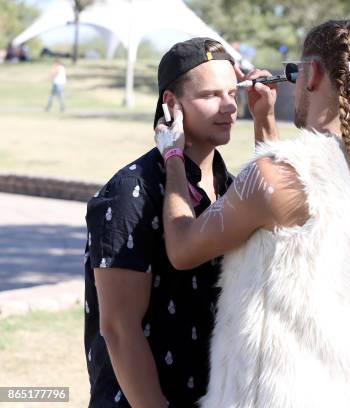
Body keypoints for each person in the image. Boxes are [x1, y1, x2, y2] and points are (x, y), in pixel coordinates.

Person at [157, 19, 350, 407]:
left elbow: (183, 247)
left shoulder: (279, 176)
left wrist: (172, 152)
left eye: (296, 71)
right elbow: (280, 224)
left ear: (313, 75)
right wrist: (265, 122)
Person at [84, 37, 277, 407]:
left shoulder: (231, 187)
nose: (229, 107)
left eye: (232, 93)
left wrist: (264, 118)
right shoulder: (132, 190)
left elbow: (274, 211)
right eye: (209, 96)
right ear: (172, 104)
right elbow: (119, 328)